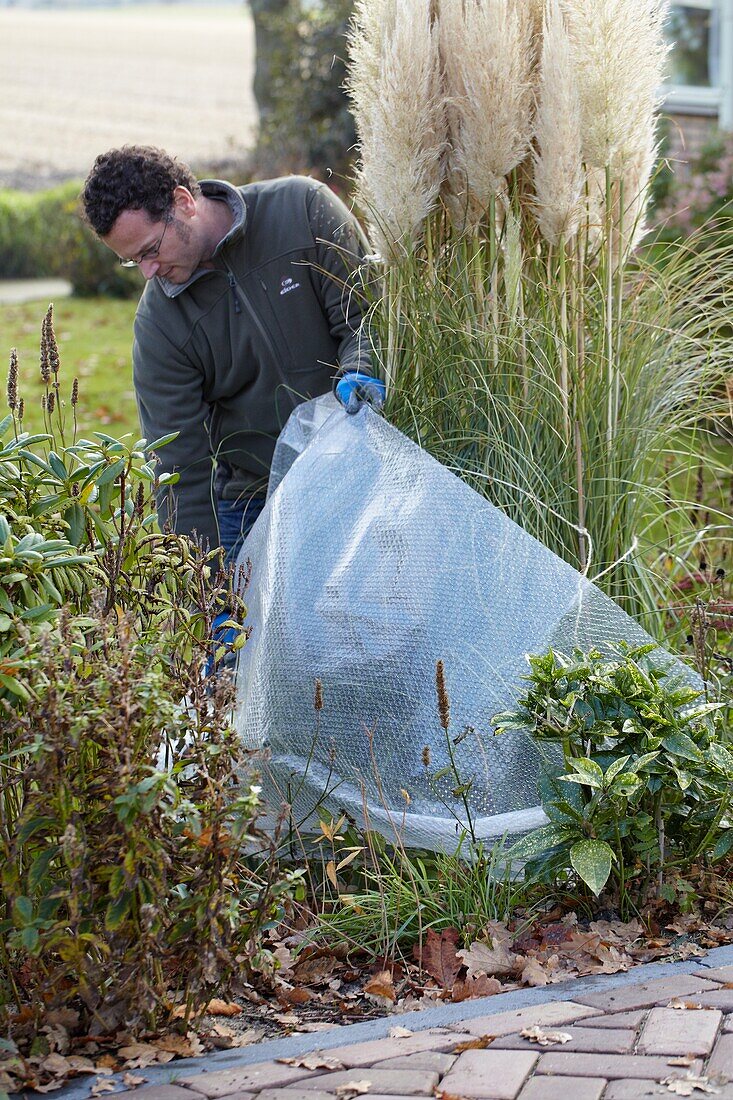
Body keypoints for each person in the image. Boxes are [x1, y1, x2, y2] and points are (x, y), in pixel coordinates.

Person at [81, 145, 385, 566]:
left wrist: (362, 370)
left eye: (150, 250)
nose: (148, 271)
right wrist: (206, 587)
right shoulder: (159, 327)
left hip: (363, 469)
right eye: (134, 262)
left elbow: (369, 318)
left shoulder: (301, 210)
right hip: (254, 503)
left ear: (183, 202)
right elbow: (179, 470)